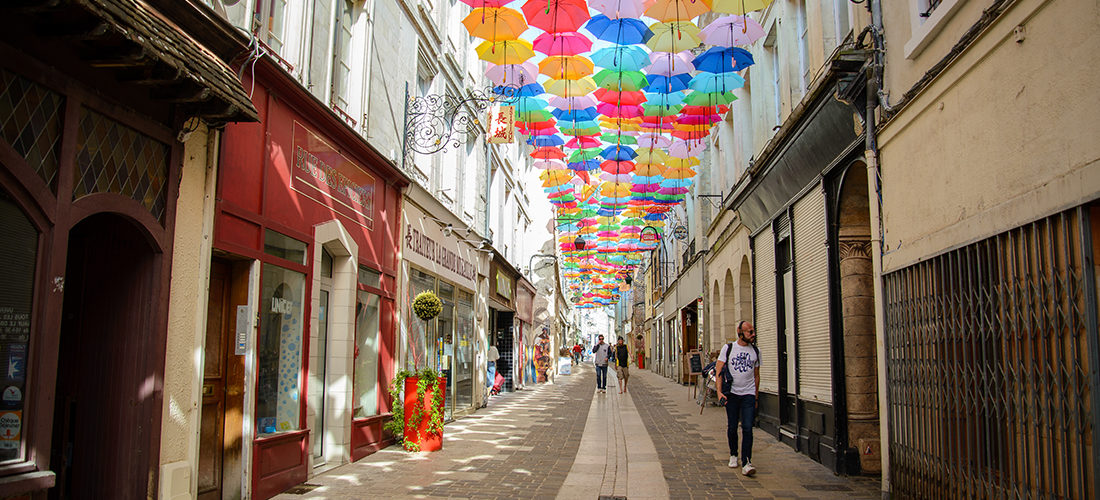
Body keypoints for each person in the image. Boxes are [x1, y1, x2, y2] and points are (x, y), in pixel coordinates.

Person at [716, 320, 760, 477]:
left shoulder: (755, 351)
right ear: (740, 332)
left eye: (753, 331)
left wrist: (755, 396)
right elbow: (719, 371)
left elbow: (756, 375)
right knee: (732, 427)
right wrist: (719, 392)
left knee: (748, 427)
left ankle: (747, 462)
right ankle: (733, 454)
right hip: (732, 394)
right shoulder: (728, 349)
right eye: (750, 332)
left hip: (748, 394)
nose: (753, 334)